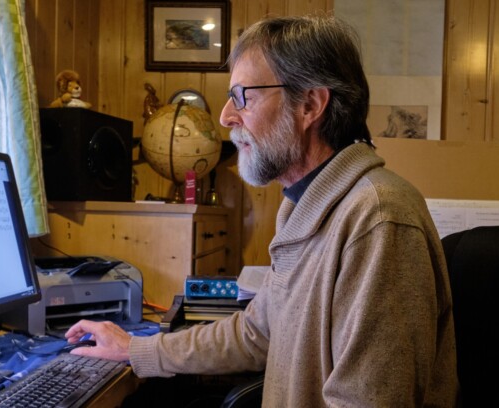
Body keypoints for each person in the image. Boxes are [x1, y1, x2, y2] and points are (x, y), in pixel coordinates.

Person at [65, 14, 458, 406]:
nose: (225, 117)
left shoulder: (378, 218)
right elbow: (256, 333)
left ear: (309, 105)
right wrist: (136, 350)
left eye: (242, 97)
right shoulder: (303, 206)